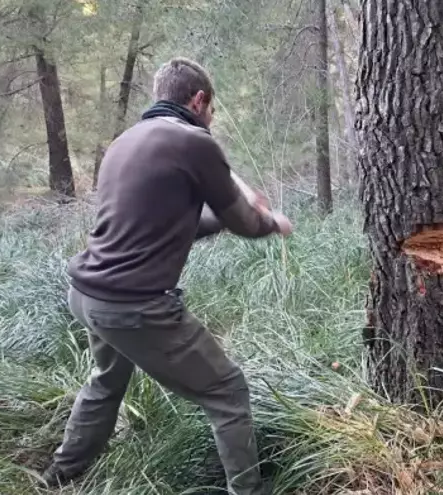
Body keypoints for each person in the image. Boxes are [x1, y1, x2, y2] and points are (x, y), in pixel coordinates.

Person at [40, 58, 291, 494]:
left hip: (87, 295)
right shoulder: (195, 142)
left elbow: (165, 222)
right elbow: (244, 223)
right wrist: (272, 222)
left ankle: (58, 477)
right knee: (228, 392)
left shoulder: (124, 143)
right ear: (198, 100)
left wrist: (235, 219)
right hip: (133, 305)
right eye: (211, 109)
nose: (211, 118)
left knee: (106, 382)